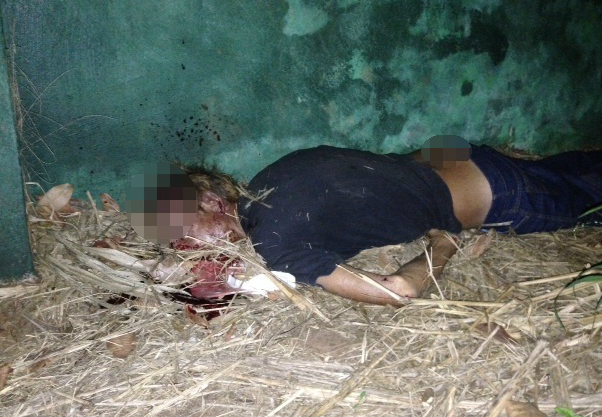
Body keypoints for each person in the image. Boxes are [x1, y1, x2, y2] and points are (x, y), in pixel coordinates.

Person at [173, 139, 602, 306]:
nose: (183, 245)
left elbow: (397, 292)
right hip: (455, 152)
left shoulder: (275, 240)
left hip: (499, 194)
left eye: (180, 230)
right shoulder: (273, 173)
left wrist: (442, 245)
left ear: (212, 201)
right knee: (576, 165)